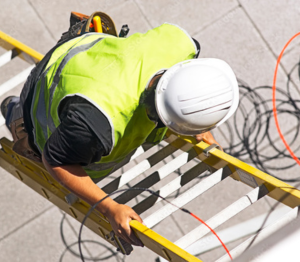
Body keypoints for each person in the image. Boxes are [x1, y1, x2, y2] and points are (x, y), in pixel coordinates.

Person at [1, 12, 239, 248]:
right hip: (47, 90)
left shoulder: (180, 43)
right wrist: (109, 207)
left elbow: (190, 79)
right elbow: (56, 160)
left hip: (86, 54)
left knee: (105, 81)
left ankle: (86, 37)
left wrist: (194, 125)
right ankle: (20, 120)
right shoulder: (98, 122)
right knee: (47, 149)